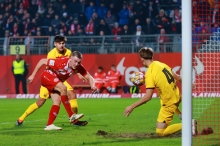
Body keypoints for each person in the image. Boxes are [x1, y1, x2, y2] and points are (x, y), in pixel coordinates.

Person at [16, 35, 88, 126]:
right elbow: (48, 66)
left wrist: (78, 74)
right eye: (59, 43)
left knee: (72, 94)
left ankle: (74, 120)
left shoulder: (68, 52)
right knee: (40, 101)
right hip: (51, 78)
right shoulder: (51, 54)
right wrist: (33, 75)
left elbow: (73, 65)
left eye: (63, 43)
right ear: (55, 44)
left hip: (61, 78)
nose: (62, 45)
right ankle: (21, 118)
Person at [28, 51, 97, 130]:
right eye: (75, 61)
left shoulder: (79, 67)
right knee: (63, 88)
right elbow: (42, 61)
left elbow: (90, 77)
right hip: (46, 76)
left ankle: (49, 125)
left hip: (55, 81)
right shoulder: (61, 62)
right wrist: (33, 75)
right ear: (70, 58)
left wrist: (93, 85)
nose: (76, 64)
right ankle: (71, 116)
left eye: (79, 62)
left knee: (57, 102)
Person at [123, 47, 183, 136]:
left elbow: (148, 96)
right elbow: (178, 77)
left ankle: (188, 125)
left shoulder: (150, 72)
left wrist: (132, 106)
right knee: (162, 99)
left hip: (169, 102)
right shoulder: (161, 64)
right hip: (177, 96)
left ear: (142, 59)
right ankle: (181, 116)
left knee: (160, 132)